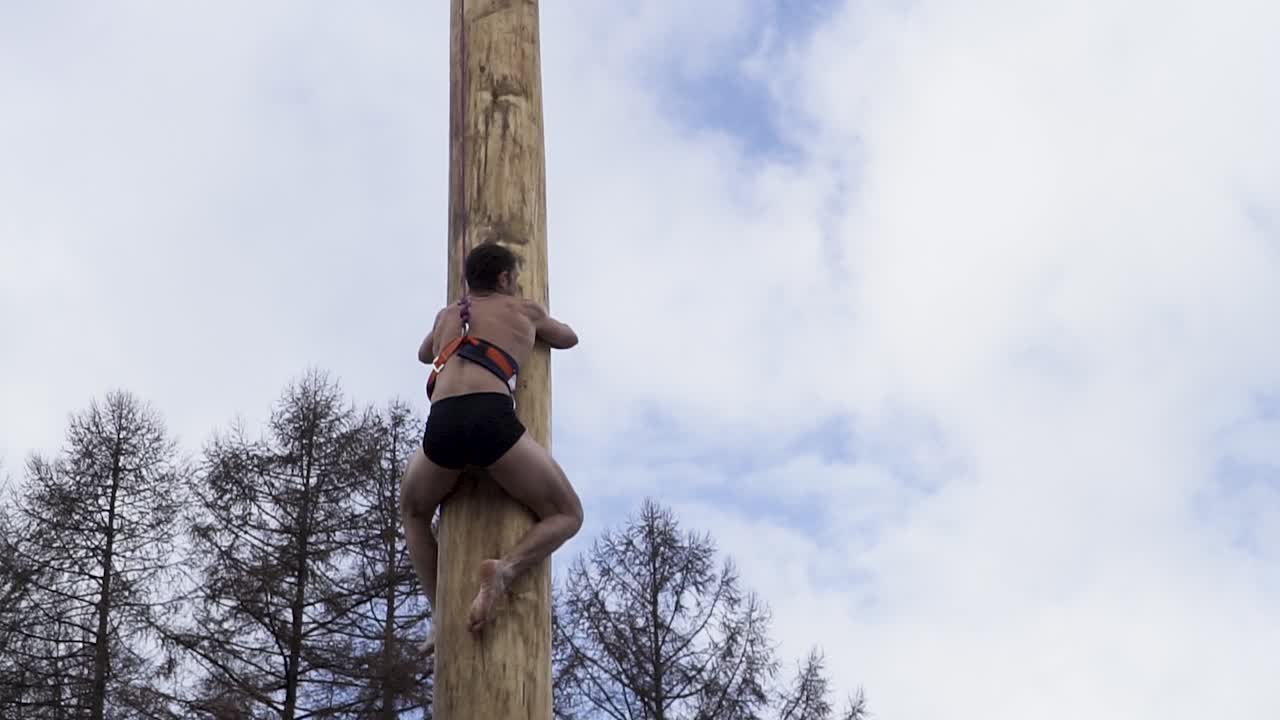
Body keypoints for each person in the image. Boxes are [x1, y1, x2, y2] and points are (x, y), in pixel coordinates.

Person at [399, 242, 584, 669]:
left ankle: (439, 610)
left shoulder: (447, 316)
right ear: (504, 278)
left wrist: (460, 314)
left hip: (442, 423)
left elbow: (425, 354)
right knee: (567, 513)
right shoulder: (524, 310)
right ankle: (504, 569)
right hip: (489, 419)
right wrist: (534, 315)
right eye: (514, 276)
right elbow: (568, 338)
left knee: (413, 512)